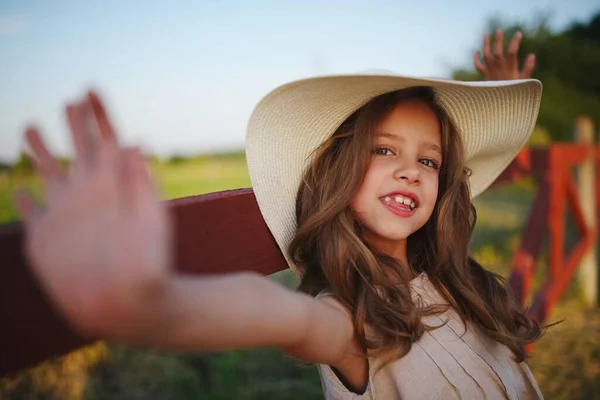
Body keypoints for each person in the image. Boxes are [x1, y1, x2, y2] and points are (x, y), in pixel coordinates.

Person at [14, 30, 543, 399]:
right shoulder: (352, 323)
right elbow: (273, 313)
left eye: (429, 160)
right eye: (383, 150)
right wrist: (155, 305)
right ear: (340, 171)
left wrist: (499, 91)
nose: (410, 170)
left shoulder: (459, 284)